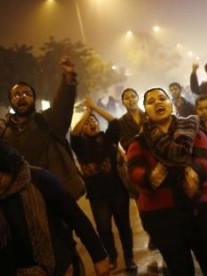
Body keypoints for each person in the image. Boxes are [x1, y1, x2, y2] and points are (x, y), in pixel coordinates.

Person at [126, 87, 207, 276]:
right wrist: (150, 177)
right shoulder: (139, 142)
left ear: (171, 105)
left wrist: (195, 172)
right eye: (151, 101)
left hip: (198, 210)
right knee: (180, 269)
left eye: (162, 98)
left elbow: (204, 159)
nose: (158, 103)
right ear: (146, 110)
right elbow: (134, 172)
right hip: (161, 217)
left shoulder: (193, 130)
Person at [0, 141, 110, 276]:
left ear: (9, 166)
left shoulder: (39, 180)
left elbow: (76, 218)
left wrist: (99, 256)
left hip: (61, 268)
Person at [0, 58, 85, 199]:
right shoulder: (4, 132)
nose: (22, 96)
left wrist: (68, 78)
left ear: (34, 99)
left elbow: (63, 104)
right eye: (16, 94)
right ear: (11, 102)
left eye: (27, 93)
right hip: (23, 197)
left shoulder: (47, 120)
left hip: (55, 194)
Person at [70, 98, 137, 272]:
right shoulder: (79, 144)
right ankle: (112, 257)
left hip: (117, 191)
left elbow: (113, 121)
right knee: (104, 229)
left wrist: (94, 108)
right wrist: (86, 114)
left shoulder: (107, 138)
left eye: (94, 121)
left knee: (123, 225)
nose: (91, 123)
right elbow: (75, 133)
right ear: (83, 126)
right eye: (87, 122)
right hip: (97, 196)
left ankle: (129, 258)